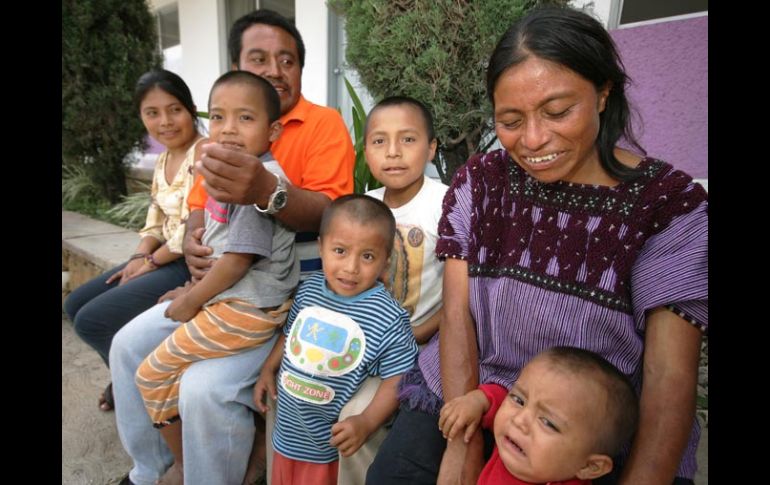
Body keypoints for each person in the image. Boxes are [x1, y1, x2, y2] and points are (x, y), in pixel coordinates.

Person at [367, 6, 707, 485]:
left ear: (603, 92)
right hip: (469, 391)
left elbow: (668, 381)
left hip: (586, 428)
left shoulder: (667, 206)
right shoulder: (480, 184)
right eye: (509, 120)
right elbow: (459, 317)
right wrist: (461, 446)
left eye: (558, 111)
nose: (533, 139)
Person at [110, 9, 354, 485]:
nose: (275, 70)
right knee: (126, 345)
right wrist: (196, 238)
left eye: (287, 60)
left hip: (266, 296)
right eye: (258, 58)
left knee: (203, 389)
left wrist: (265, 189)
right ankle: (154, 468)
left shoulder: (323, 126)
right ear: (238, 65)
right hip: (215, 287)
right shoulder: (221, 139)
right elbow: (200, 202)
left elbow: (332, 216)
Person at [133, 71, 299, 485]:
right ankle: (184, 459)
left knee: (150, 374)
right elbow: (220, 247)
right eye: (220, 117)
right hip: (232, 302)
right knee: (156, 370)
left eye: (245, 119)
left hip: (247, 311)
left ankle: (185, 465)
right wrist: (194, 288)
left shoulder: (257, 180)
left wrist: (191, 300)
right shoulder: (227, 173)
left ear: (272, 129)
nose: (228, 130)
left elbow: (238, 260)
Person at [253, 194, 418, 485]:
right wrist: (268, 368)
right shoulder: (309, 290)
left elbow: (399, 378)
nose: (351, 268)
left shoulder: (387, 316)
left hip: (327, 449)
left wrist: (367, 421)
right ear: (321, 247)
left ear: (385, 260)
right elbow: (290, 335)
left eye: (367, 256)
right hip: (287, 436)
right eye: (340, 251)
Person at [64, 69, 203, 412]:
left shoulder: (204, 152)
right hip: (160, 257)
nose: (165, 122)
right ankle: (126, 378)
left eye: (174, 109)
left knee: (91, 319)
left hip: (188, 262)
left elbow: (193, 227)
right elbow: (154, 220)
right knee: (74, 304)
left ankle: (144, 390)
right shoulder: (163, 159)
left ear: (189, 109)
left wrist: (152, 262)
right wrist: (140, 256)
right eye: (152, 113)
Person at [334, 96, 448, 485]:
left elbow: (463, 297)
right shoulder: (363, 206)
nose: (393, 152)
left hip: (415, 349)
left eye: (409, 140)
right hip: (359, 344)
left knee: (354, 417)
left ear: (431, 147)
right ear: (366, 151)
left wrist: (418, 332)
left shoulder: (445, 205)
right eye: (379, 141)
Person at [438, 347, 639, 485]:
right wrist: (477, 400)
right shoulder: (518, 441)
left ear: (589, 466)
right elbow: (499, 398)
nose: (519, 420)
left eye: (547, 423)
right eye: (519, 400)